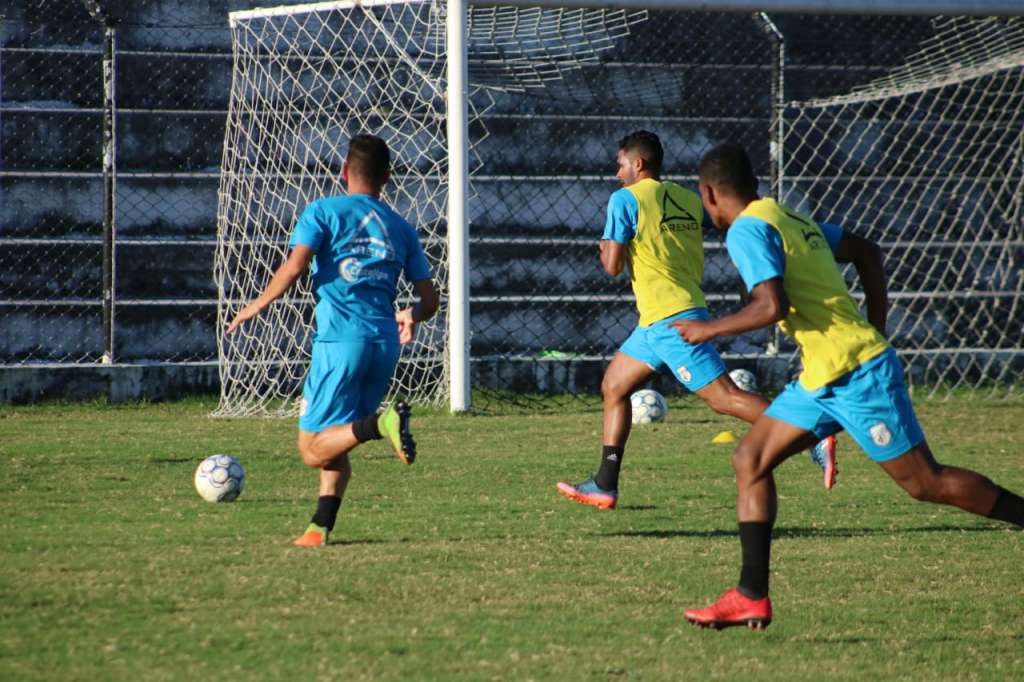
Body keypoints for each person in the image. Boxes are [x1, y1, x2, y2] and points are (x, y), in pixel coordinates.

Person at [677, 142, 1024, 629]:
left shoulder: (747, 231)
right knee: (749, 459)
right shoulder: (787, 218)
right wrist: (877, 326)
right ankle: (750, 594)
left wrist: (708, 329)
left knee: (926, 483)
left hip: (856, 372)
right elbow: (865, 250)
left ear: (708, 193)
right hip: (822, 375)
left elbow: (770, 305)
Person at [556, 131, 837, 511]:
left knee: (725, 399)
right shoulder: (689, 198)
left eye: (620, 162)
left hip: (672, 321)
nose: (616, 169)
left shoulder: (624, 200)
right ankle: (605, 484)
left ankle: (814, 430)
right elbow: (729, 225)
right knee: (614, 386)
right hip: (659, 319)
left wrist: (604, 247)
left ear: (637, 164)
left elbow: (613, 266)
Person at [225, 133, 439, 547]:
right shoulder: (400, 226)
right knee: (338, 435)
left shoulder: (322, 211)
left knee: (311, 449)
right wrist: (410, 316)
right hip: (385, 344)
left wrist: (255, 304)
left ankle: (383, 422)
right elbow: (430, 300)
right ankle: (319, 528)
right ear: (388, 178)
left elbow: (294, 268)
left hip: (341, 342)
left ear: (344, 172)